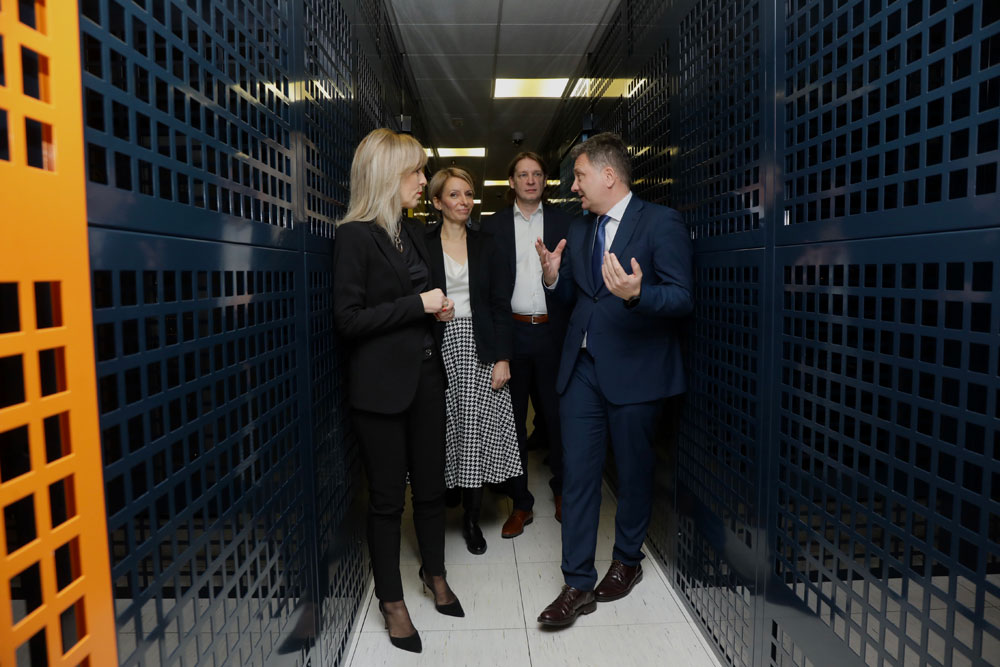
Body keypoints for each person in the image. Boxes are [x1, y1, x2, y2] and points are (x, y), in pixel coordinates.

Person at [533, 132, 693, 626]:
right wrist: (552, 277)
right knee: (578, 474)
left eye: (579, 176)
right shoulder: (581, 229)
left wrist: (639, 294)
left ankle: (627, 560)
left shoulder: (661, 222)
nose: (573, 186)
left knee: (632, 470)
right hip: (581, 368)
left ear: (608, 175)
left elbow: (682, 298)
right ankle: (576, 584)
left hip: (636, 370)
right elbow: (575, 298)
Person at [332, 128, 464, 653]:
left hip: (428, 380)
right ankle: (392, 602)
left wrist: (436, 310)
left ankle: (436, 575)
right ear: (388, 175)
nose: (423, 180)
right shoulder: (354, 236)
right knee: (388, 501)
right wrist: (419, 305)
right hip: (381, 392)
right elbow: (348, 320)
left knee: (431, 490)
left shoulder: (408, 231)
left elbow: (416, 300)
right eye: (415, 171)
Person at [424, 167, 523, 555]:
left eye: (468, 194)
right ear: (437, 202)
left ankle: (471, 518)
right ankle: (447, 490)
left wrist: (503, 357)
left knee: (475, 429)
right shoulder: (421, 242)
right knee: (443, 426)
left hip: (479, 346)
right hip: (436, 344)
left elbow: (500, 305)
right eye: (454, 195)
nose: (464, 201)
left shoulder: (487, 244)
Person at [485, 151, 573, 538]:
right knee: (514, 421)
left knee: (558, 418)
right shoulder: (493, 226)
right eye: (523, 174)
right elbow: (487, 288)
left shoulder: (564, 222)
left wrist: (554, 278)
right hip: (512, 332)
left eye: (537, 174)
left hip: (553, 333)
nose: (531, 180)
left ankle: (563, 490)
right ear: (511, 182)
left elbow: (575, 281)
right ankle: (521, 502)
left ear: (545, 180)